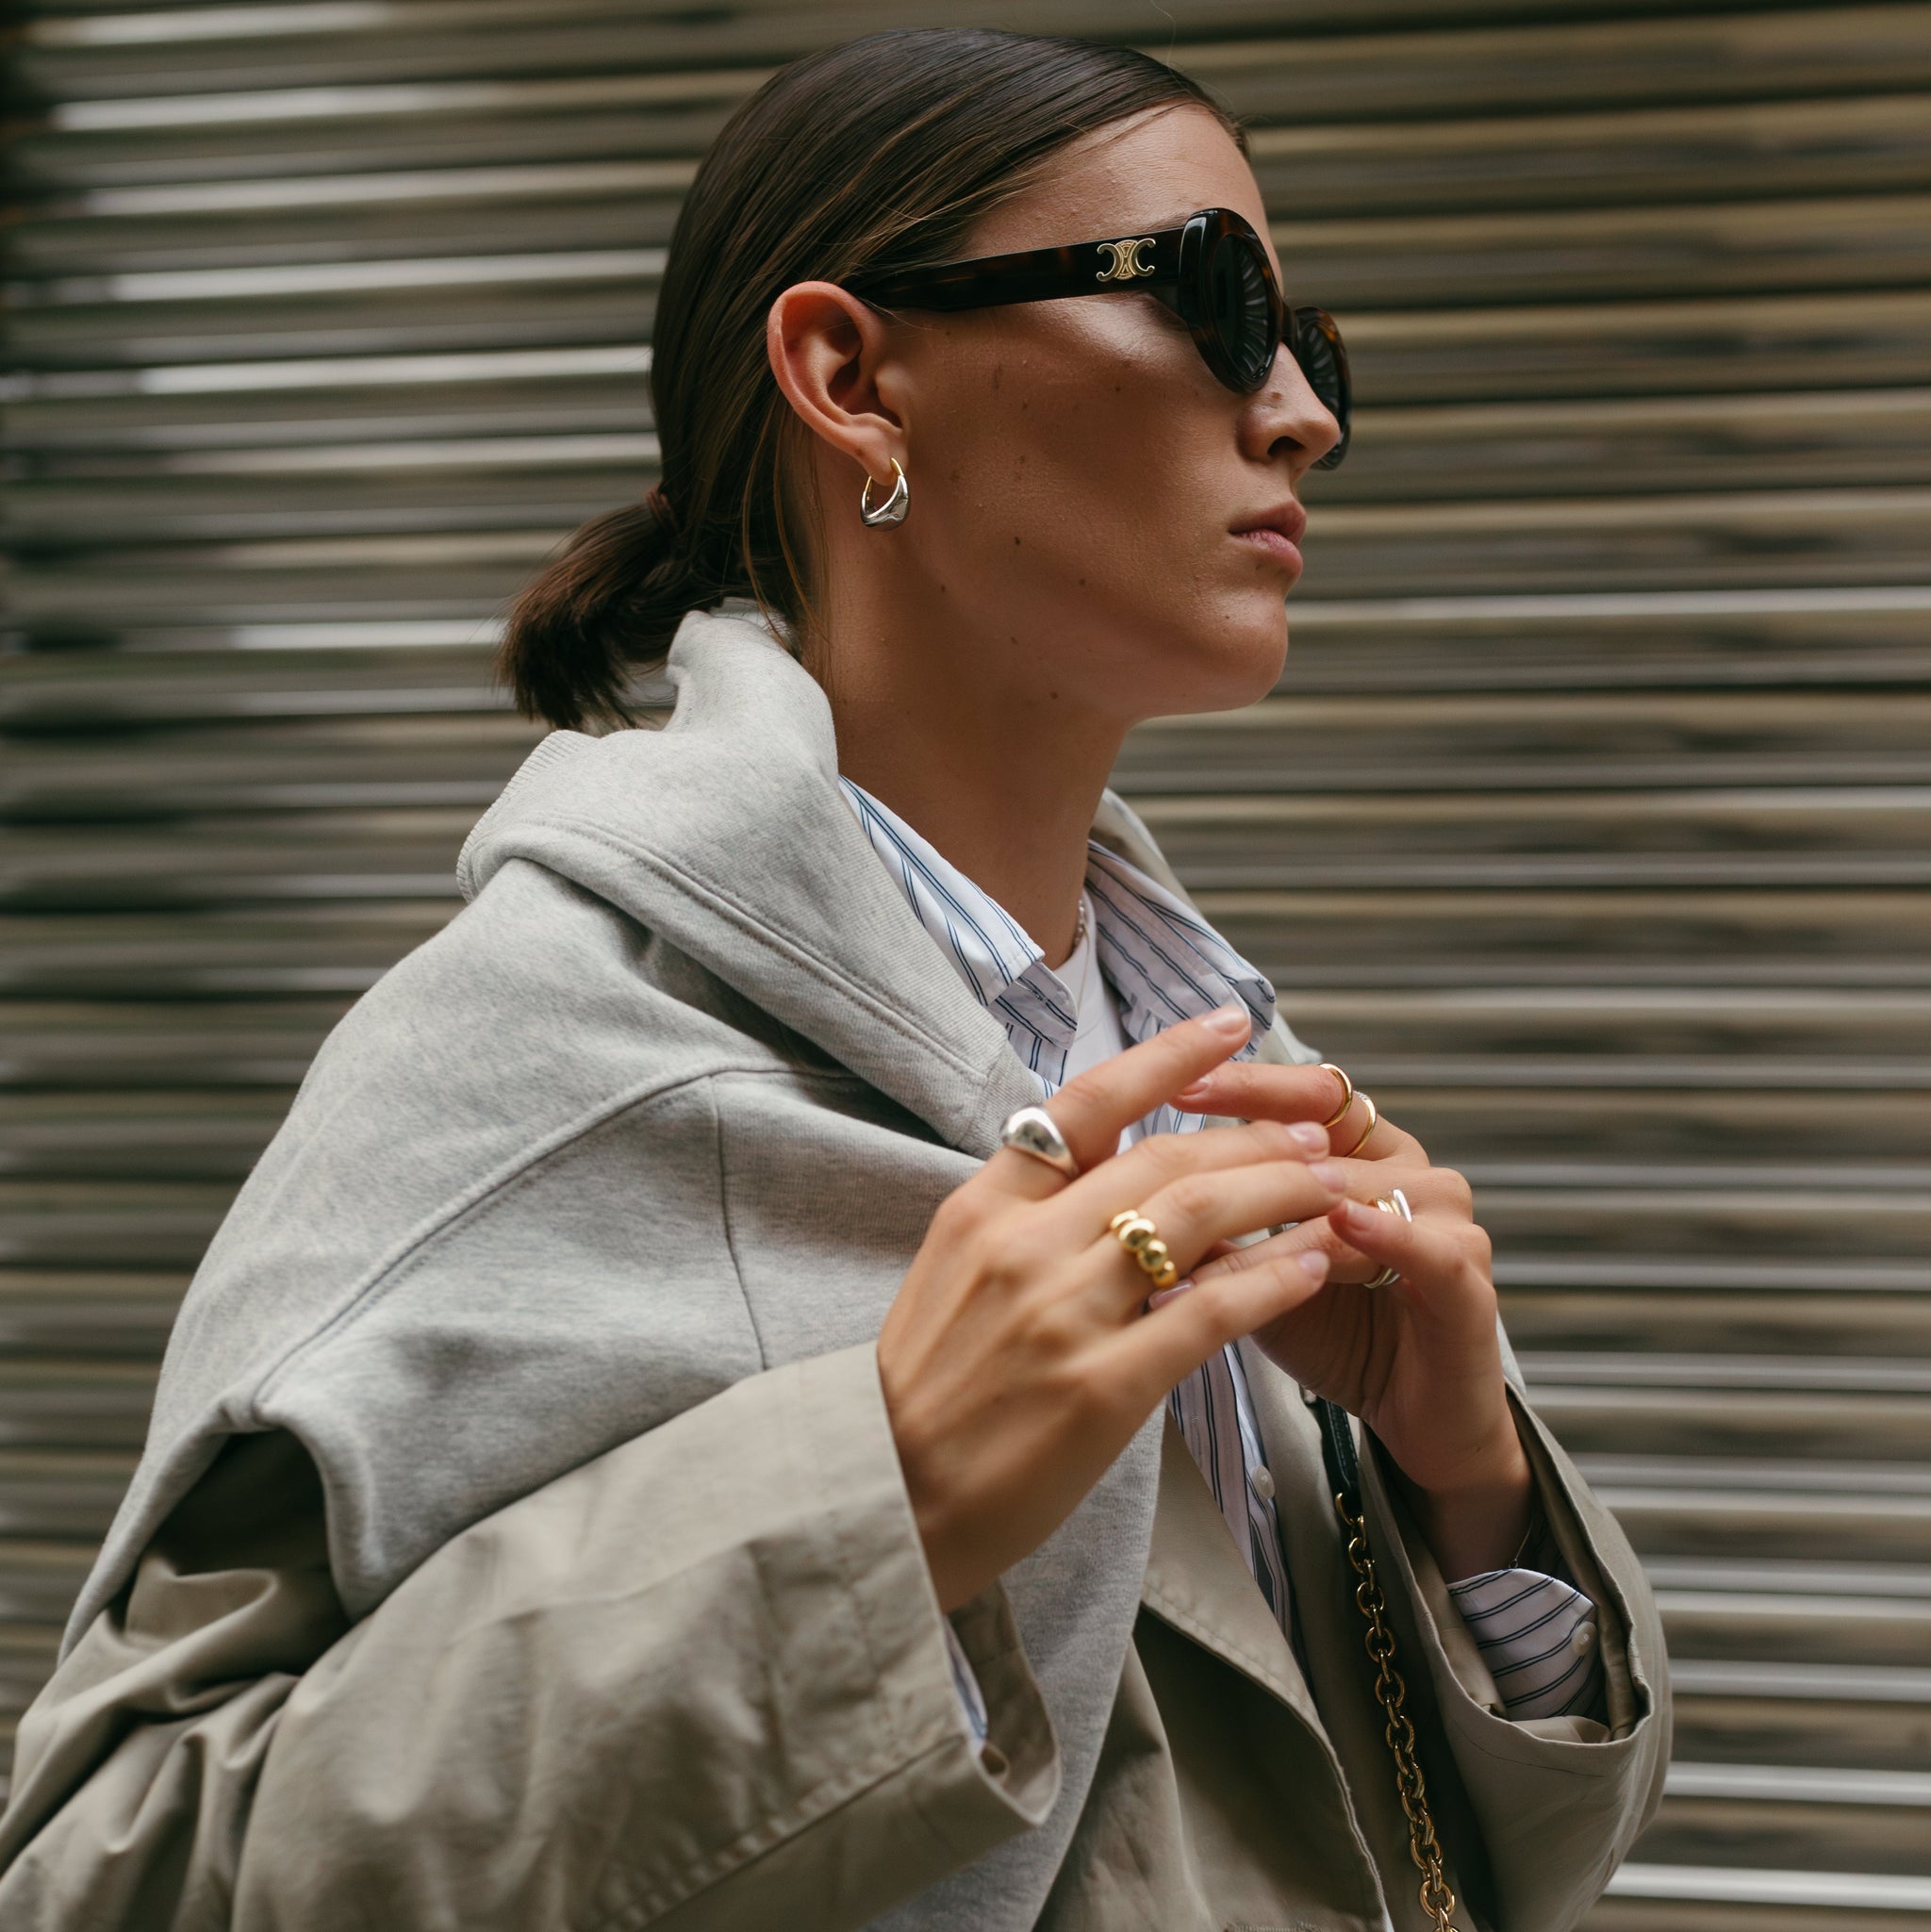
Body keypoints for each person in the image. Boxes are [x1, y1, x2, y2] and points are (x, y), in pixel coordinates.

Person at [0, 28, 1667, 1930]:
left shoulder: (1223, 1072)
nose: (1300, 414)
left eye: (1315, 348)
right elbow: (104, 1871)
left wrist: (1465, 1496)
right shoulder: (533, 1056)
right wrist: (882, 1498)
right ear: (851, 377)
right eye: (1214, 302)